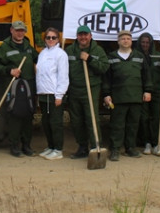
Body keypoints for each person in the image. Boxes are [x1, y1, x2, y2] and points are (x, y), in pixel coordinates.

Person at [102, 30, 152, 161]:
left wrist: (147, 90)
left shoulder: (139, 57)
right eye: (123, 38)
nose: (125, 40)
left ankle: (130, 148)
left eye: (128, 38)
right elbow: (107, 79)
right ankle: (115, 149)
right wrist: (106, 94)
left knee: (133, 124)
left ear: (131, 41)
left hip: (136, 97)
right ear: (118, 41)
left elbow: (147, 76)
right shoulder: (111, 57)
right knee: (117, 125)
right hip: (118, 98)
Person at [0, 20, 38, 157]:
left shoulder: (28, 46)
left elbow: (39, 59)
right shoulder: (5, 47)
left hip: (29, 86)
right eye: (17, 30)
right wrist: (9, 71)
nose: (20, 33)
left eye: (22, 30)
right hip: (14, 87)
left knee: (28, 115)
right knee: (15, 116)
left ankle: (27, 146)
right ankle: (14, 146)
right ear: (11, 30)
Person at [64, 25, 109, 158]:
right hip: (74, 89)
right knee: (76, 120)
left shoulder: (98, 50)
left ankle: (96, 146)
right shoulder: (69, 51)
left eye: (85, 35)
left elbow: (104, 67)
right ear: (77, 37)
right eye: (80, 35)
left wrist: (89, 59)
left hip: (91, 89)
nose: (83, 37)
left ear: (90, 36)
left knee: (91, 118)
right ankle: (82, 147)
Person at [35, 28, 69, 160]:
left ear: (58, 39)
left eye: (53, 37)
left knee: (55, 123)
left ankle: (58, 149)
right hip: (43, 93)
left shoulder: (61, 54)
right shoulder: (42, 53)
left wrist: (59, 95)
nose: (50, 40)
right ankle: (50, 146)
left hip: (54, 94)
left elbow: (63, 76)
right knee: (46, 122)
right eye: (48, 37)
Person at [136, 32, 160, 155]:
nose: (145, 45)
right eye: (143, 42)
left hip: (157, 91)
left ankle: (157, 144)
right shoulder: (137, 56)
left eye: (147, 42)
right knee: (143, 118)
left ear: (151, 43)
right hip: (142, 91)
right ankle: (147, 143)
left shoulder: (158, 56)